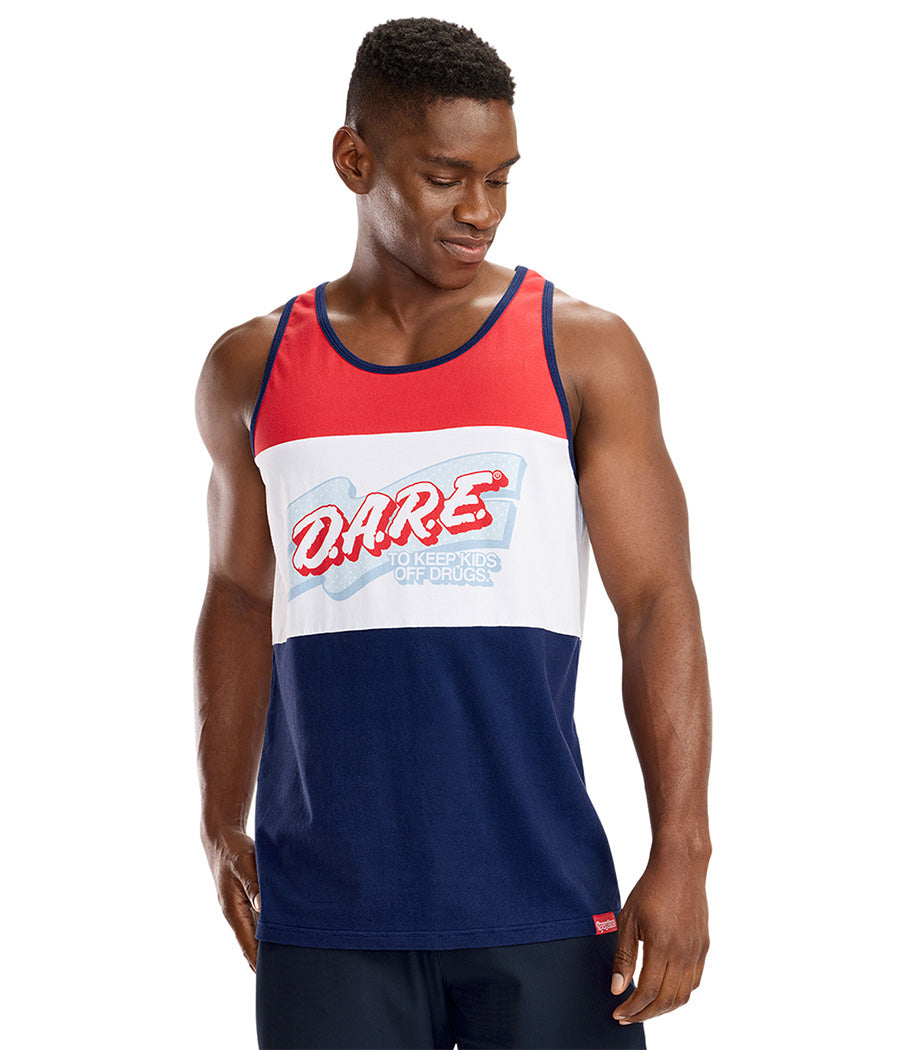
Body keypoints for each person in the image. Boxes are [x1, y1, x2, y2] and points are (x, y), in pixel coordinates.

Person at [194, 17, 711, 1050]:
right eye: (445, 178)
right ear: (355, 160)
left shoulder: (582, 349)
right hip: (327, 908)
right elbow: (239, 598)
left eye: (500, 178)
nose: (481, 211)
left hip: (544, 896)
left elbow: (657, 602)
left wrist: (683, 853)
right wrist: (218, 819)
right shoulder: (253, 367)